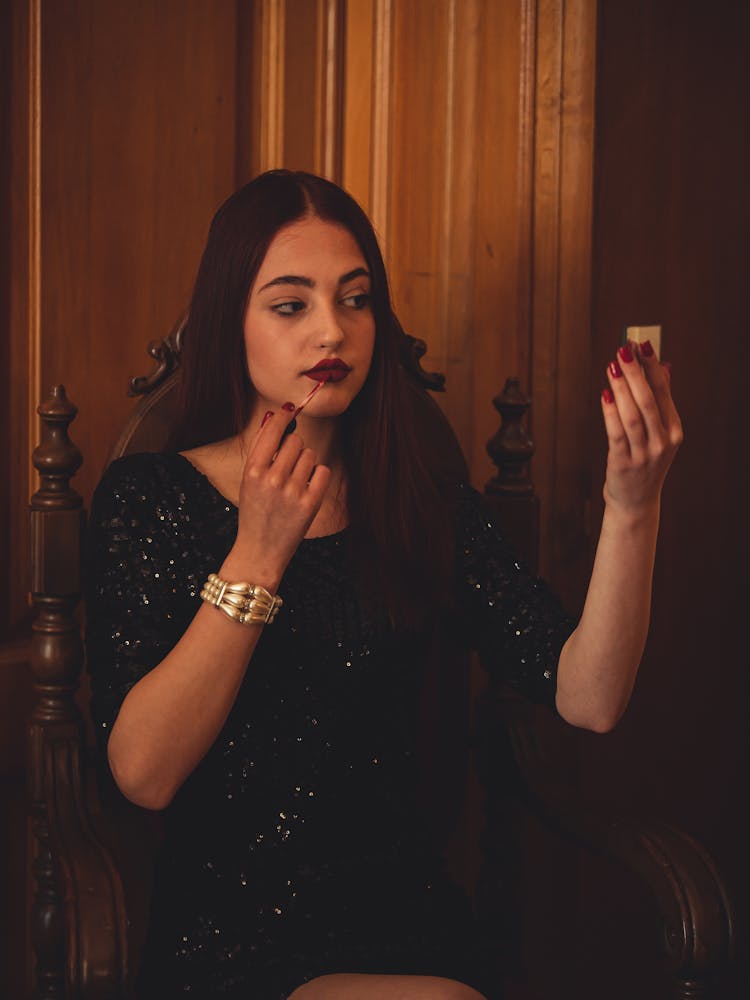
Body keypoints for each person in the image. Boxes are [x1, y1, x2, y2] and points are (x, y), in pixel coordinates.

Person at [85, 169, 682, 1000]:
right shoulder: (152, 498)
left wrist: (633, 505)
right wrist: (258, 552)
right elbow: (142, 773)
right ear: (233, 322)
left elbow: (591, 696)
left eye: (356, 299)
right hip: (237, 941)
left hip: (411, 926)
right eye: (291, 304)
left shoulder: (421, 503)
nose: (331, 329)